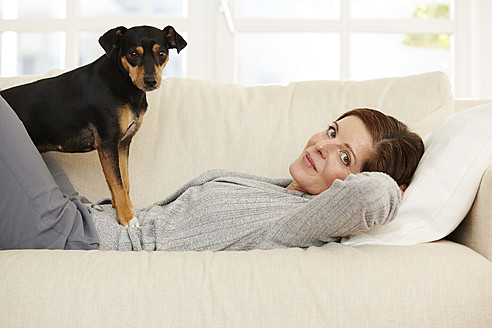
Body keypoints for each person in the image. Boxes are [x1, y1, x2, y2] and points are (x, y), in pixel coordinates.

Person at [0, 96, 424, 251]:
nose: (320, 146)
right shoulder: (280, 192)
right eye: (331, 131)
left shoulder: (298, 224)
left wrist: (396, 184)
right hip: (84, 215)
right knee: (20, 117)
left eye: (345, 157)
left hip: (73, 239)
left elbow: (372, 196)